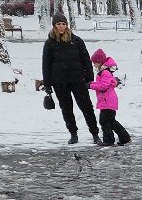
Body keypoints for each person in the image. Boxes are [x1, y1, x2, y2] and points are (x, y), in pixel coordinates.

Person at [41, 16, 99, 146]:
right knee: (66, 109)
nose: (61, 26)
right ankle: (73, 133)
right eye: (58, 24)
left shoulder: (76, 41)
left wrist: (89, 79)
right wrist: (47, 85)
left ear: (67, 25)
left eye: (63, 24)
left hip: (78, 80)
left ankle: (95, 133)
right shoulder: (49, 43)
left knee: (87, 108)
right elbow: (46, 65)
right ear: (54, 26)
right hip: (59, 82)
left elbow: (86, 60)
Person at [88, 49, 131, 147]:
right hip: (107, 101)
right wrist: (92, 84)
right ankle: (124, 137)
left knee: (104, 121)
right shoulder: (104, 72)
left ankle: (109, 140)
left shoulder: (105, 73)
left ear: (99, 62)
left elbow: (103, 86)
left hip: (107, 101)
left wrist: (91, 85)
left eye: (95, 63)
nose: (94, 65)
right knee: (111, 121)